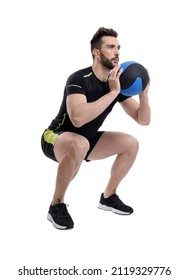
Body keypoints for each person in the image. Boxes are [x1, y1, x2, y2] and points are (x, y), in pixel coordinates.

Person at [41, 27, 151, 230]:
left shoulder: (117, 83)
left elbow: (143, 120)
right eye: (111, 47)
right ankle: (55, 206)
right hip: (56, 137)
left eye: (118, 47)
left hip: (87, 141)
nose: (117, 52)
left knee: (130, 143)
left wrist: (143, 94)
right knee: (79, 142)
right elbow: (77, 119)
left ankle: (108, 197)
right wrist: (112, 93)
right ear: (96, 52)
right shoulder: (79, 78)